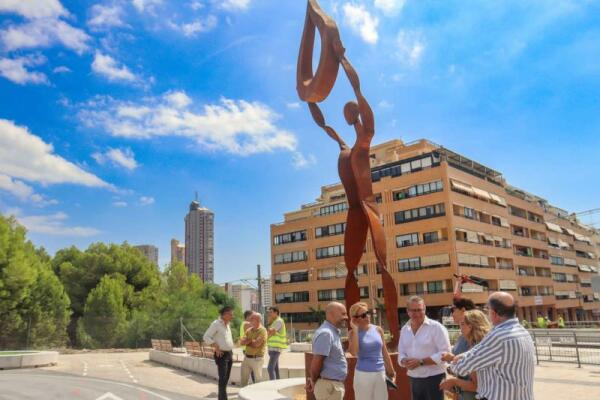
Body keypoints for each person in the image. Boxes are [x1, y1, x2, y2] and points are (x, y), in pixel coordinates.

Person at [448, 292, 535, 400]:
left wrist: (451, 366)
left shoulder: (498, 336)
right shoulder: (523, 332)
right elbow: (478, 353)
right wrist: (463, 356)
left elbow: (463, 367)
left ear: (494, 313)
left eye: (487, 309)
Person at [398, 296, 451, 400]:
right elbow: (401, 353)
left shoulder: (437, 327)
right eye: (413, 310)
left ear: (424, 309)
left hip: (434, 378)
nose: (417, 314)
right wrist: (404, 361)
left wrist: (421, 362)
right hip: (414, 379)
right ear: (407, 311)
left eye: (419, 310)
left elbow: (445, 353)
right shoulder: (405, 329)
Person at [348, 302, 395, 400]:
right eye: (363, 315)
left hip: (381, 373)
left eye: (368, 313)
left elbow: (384, 352)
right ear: (355, 318)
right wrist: (356, 329)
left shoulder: (378, 329)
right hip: (363, 375)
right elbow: (354, 352)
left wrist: (391, 371)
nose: (367, 316)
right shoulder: (352, 333)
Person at [440, 310, 492, 400]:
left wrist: (453, 381)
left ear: (471, 326)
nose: (460, 327)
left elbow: (476, 386)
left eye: (462, 324)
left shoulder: (477, 349)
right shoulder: (482, 345)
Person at [306, 302, 349, 400]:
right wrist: (313, 380)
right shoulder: (326, 334)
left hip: (331, 387)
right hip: (329, 388)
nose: (346, 317)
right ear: (331, 315)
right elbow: (317, 361)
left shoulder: (332, 332)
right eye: (343, 314)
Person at [203, 306, 235, 400]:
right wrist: (215, 346)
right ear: (225, 314)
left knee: (225, 379)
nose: (232, 316)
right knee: (223, 379)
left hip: (229, 354)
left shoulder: (228, 324)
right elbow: (206, 337)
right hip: (221, 355)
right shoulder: (216, 324)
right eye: (230, 314)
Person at [240, 313, 267, 386]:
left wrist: (248, 341)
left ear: (258, 320)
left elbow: (257, 344)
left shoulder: (263, 331)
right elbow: (242, 342)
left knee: (258, 381)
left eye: (252, 318)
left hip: (257, 359)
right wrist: (252, 340)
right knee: (243, 380)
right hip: (246, 358)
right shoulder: (249, 330)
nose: (250, 320)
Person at [267, 307, 288, 380]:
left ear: (276, 312)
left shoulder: (279, 321)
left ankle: (273, 385)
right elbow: (269, 331)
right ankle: (278, 383)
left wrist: (269, 331)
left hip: (276, 348)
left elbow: (271, 332)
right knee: (275, 368)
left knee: (270, 368)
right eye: (269, 312)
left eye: (271, 312)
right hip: (272, 348)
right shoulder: (274, 321)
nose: (269, 314)